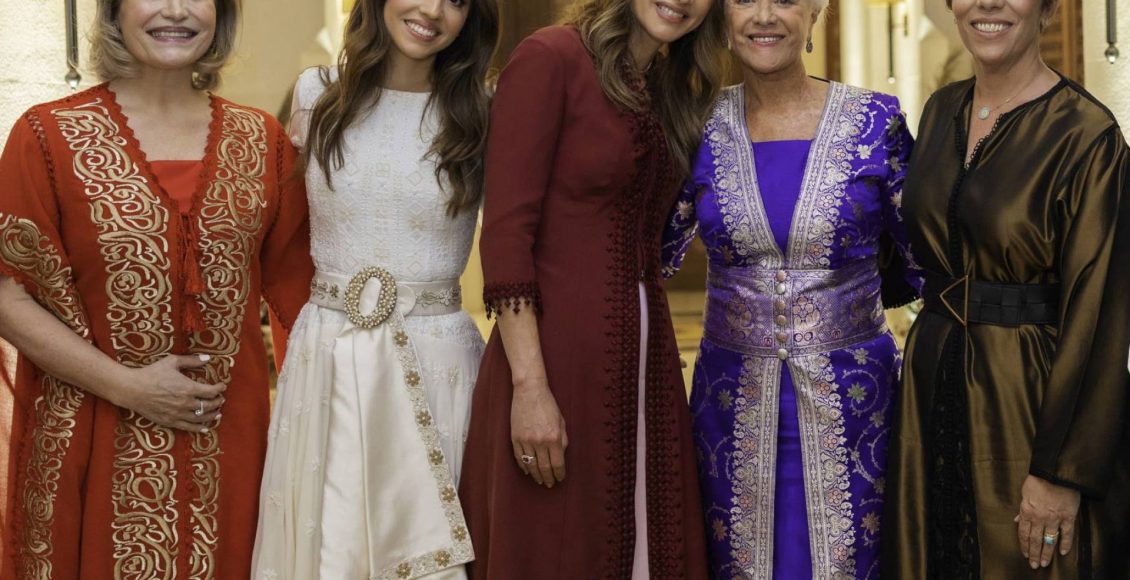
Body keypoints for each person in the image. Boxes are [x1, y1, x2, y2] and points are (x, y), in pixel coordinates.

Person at [0, 0, 312, 577]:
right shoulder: (47, 136)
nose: (175, 11)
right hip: (91, 442)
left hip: (231, 445)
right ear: (114, 10)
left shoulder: (262, 140)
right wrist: (126, 386)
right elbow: (6, 295)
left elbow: (308, 294)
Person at [457, 0, 727, 578]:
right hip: (553, 364)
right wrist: (530, 387)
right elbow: (506, 235)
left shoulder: (670, 86)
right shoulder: (550, 58)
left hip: (647, 369)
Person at [661, 0, 920, 577]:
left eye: (784, 0)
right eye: (745, 0)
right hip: (728, 408)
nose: (764, 17)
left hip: (859, 409)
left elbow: (926, 259)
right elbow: (646, 253)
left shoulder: (876, 122)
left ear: (815, 13)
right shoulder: (695, 124)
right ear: (722, 16)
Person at [250, 0, 499, 578]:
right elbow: (279, 230)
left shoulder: (483, 110)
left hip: (438, 360)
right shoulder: (317, 93)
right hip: (327, 356)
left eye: (457, 0)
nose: (432, 11)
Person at [882, 0, 1130, 577]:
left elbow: (1100, 315)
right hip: (930, 389)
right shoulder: (941, 110)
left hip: (1029, 402)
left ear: (1046, 7)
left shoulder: (1087, 135)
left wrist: (1060, 472)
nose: (987, 3)